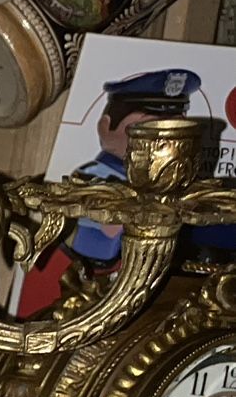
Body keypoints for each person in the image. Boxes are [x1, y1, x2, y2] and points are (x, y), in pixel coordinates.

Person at [69, 69, 228, 267]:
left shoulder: (179, 183)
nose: (163, 140)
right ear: (106, 127)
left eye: (176, 128)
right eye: (147, 128)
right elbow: (93, 249)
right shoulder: (94, 178)